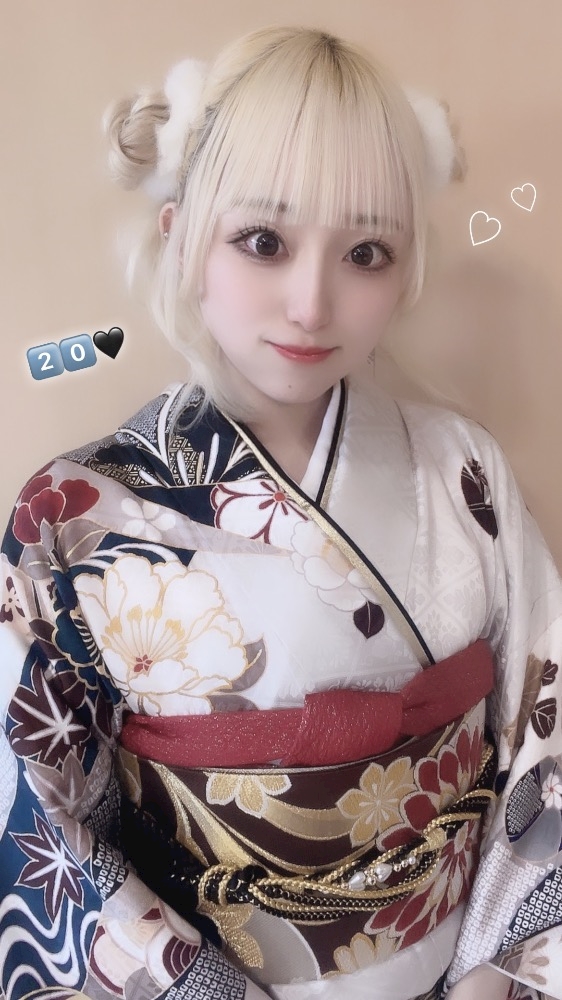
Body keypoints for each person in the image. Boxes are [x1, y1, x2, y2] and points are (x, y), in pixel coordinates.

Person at [0, 24, 560, 1000]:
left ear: (407, 270)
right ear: (182, 237)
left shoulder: (463, 468)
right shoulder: (77, 511)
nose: (310, 302)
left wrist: (496, 974)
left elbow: (546, 724)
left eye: (366, 252)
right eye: (262, 241)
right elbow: (38, 817)